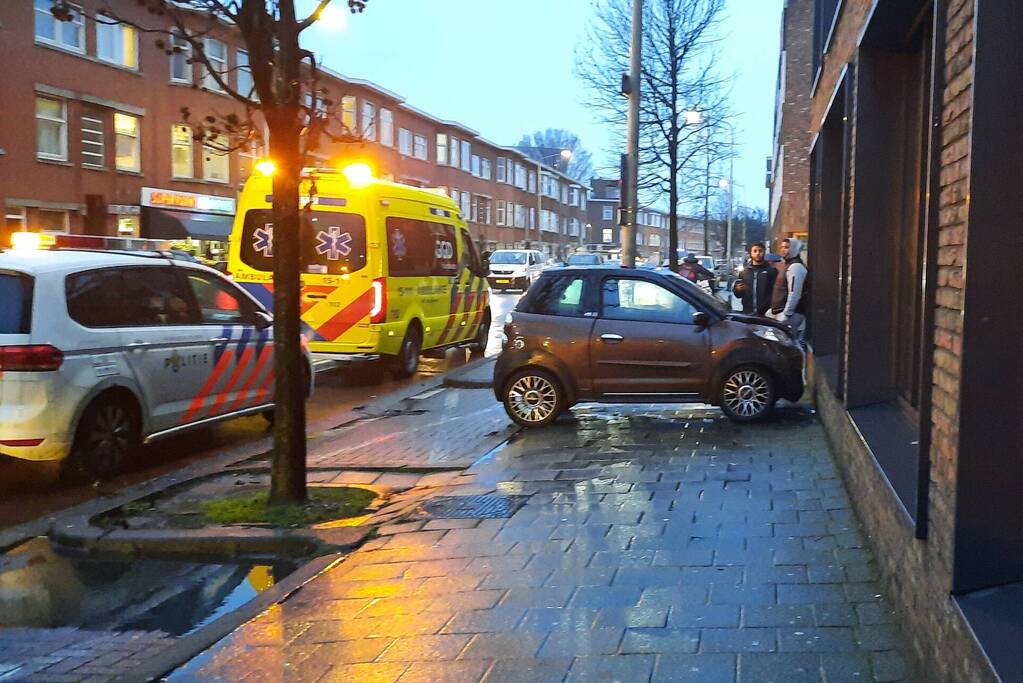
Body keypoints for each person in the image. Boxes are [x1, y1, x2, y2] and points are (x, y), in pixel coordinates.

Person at [768, 237, 809, 337]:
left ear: (794, 249)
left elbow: (794, 293)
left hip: (790, 316)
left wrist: (786, 314)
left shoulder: (795, 267)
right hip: (782, 314)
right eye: (782, 247)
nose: (783, 250)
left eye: (787, 247)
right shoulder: (789, 265)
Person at [732, 242, 777, 315]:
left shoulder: (771, 271)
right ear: (751, 253)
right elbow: (738, 294)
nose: (758, 253)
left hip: (766, 313)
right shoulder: (744, 272)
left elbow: (777, 292)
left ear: (764, 252)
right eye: (755, 251)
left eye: (760, 251)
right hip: (747, 312)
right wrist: (738, 290)